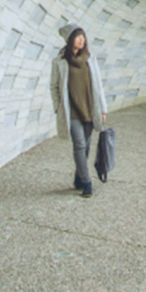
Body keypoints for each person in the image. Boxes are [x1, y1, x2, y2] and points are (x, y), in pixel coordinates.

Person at [50, 23, 107, 198]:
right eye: (78, 36)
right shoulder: (59, 62)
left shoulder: (90, 59)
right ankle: (87, 182)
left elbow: (98, 86)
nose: (82, 40)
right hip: (72, 111)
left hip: (89, 109)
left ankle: (78, 177)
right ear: (68, 40)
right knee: (79, 144)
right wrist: (58, 107)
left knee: (86, 146)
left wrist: (103, 109)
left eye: (83, 37)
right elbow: (54, 87)